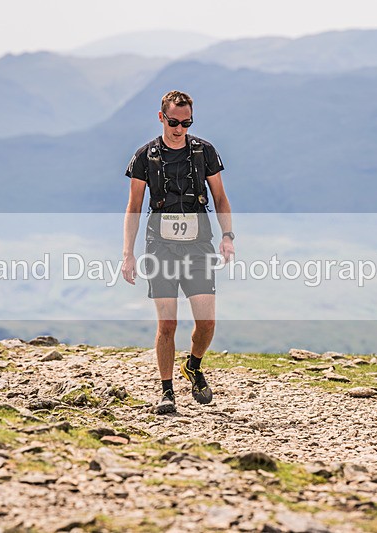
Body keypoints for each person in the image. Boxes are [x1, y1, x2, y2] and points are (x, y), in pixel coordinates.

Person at [122, 91, 234, 414]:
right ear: (161, 118)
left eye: (187, 123)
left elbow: (220, 198)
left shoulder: (204, 152)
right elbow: (134, 207)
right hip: (160, 248)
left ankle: (193, 366)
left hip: (199, 246)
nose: (180, 129)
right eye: (174, 122)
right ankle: (167, 391)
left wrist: (228, 236)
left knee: (207, 323)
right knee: (167, 325)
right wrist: (128, 253)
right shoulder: (145, 157)